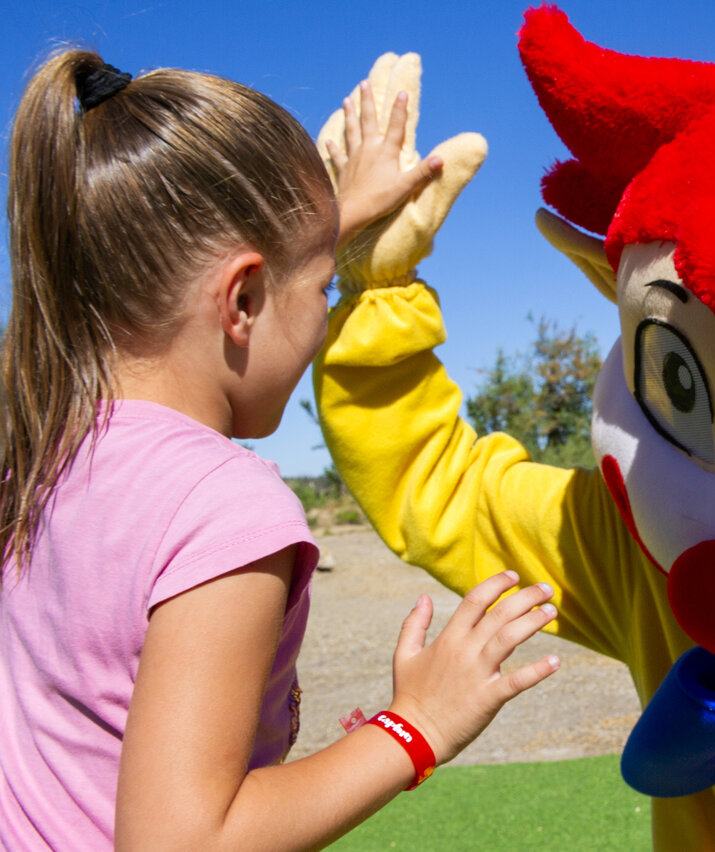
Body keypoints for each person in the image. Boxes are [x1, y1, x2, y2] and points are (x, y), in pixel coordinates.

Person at [0, 49, 559, 850]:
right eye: (327, 287)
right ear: (244, 300)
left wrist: (327, 226)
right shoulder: (220, 502)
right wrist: (417, 725)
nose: (327, 317)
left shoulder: (39, 458)